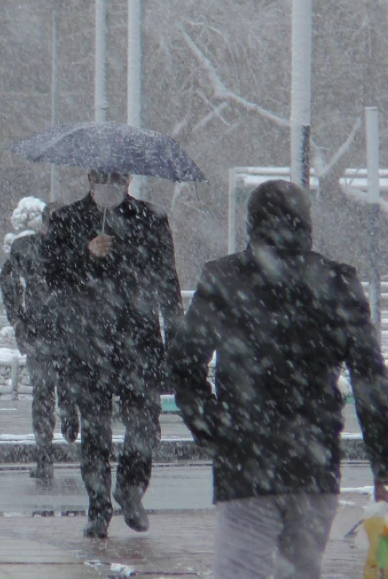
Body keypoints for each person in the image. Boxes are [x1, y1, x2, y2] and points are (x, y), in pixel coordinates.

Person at [166, 180, 388, 579]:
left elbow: (184, 364)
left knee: (240, 569)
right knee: (301, 570)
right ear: (306, 224)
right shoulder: (338, 282)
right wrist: (384, 466)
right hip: (314, 459)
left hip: (245, 460)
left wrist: (214, 428)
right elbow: (371, 381)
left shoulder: (224, 279)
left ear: (251, 224)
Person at [43, 170, 182, 538]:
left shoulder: (151, 219)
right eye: (103, 177)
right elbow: (51, 278)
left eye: (118, 177)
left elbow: (168, 280)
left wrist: (175, 339)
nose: (111, 185)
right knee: (96, 430)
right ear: (89, 178)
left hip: (138, 339)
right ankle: (98, 505)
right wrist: (83, 253)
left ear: (129, 179)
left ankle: (131, 489)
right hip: (88, 340)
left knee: (142, 424)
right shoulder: (66, 219)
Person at [0, 199, 78, 481]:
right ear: (43, 225)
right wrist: (18, 318)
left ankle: (70, 414)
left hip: (70, 333)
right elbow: (7, 280)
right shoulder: (26, 248)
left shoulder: (76, 251)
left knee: (67, 388)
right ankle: (44, 456)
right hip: (40, 332)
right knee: (43, 395)